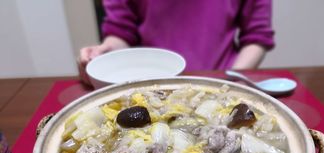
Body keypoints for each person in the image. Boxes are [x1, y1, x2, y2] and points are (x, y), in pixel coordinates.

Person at [78, 0, 275, 85]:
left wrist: (232, 80)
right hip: (152, 84)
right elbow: (122, 31)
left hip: (220, 78)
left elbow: (256, 36)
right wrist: (106, 52)